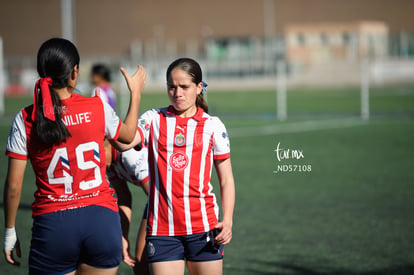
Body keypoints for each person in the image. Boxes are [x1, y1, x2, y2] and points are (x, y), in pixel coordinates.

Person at [3, 37, 146, 275]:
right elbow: (128, 137)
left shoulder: (25, 118)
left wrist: (9, 231)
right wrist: (136, 93)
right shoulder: (97, 106)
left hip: (54, 225)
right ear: (74, 72)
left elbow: (14, 187)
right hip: (101, 220)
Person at [114, 58, 235, 275]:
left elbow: (226, 179)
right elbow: (124, 142)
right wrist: (135, 95)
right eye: (172, 87)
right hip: (162, 232)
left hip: (204, 229)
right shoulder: (153, 119)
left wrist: (227, 220)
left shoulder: (212, 125)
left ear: (199, 87)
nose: (177, 92)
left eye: (184, 87)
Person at [107, 146, 150, 275]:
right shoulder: (107, 163)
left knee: (143, 259)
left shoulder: (130, 156)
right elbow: (124, 197)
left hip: (170, 197)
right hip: (159, 197)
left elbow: (158, 199)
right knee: (141, 265)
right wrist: (124, 236)